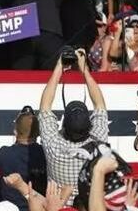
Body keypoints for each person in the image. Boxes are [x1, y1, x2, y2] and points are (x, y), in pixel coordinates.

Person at [38, 49, 108, 193]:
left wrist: (59, 66)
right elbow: (100, 104)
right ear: (89, 125)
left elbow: (45, 106)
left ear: (63, 124)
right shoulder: (98, 141)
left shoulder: (53, 145)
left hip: (58, 206)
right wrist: (85, 70)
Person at [0, 107, 48, 211]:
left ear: (15, 132)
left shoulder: (4, 154)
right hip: (39, 207)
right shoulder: (45, 154)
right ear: (38, 133)